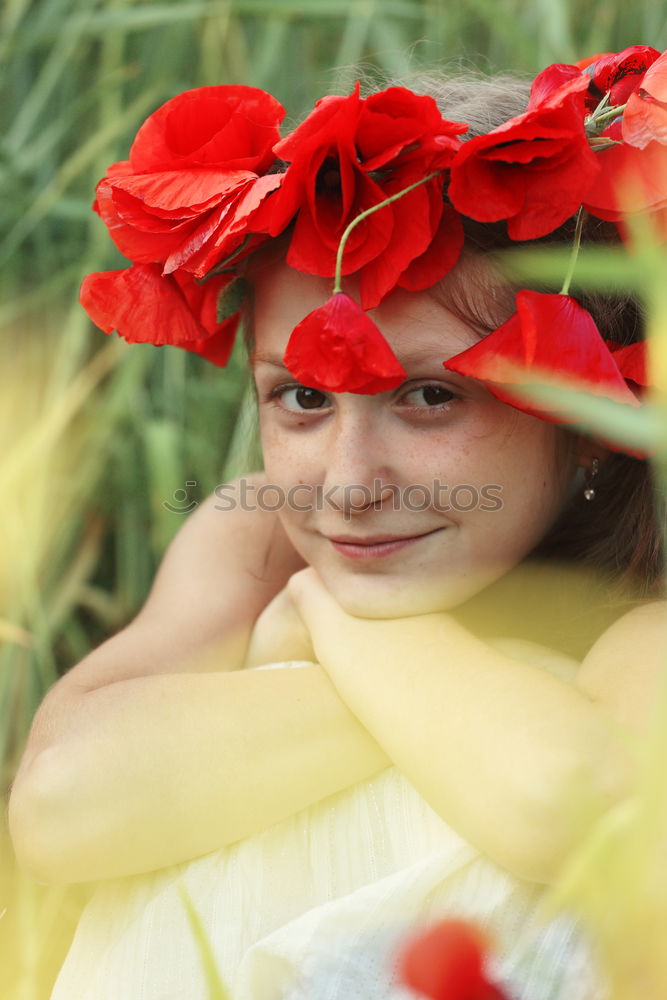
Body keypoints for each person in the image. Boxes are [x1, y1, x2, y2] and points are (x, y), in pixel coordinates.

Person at [8, 49, 667, 1000]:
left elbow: (563, 807)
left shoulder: (634, 618)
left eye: (431, 396)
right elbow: (63, 807)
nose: (348, 487)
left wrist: (326, 622)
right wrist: (514, 685)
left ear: (596, 414)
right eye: (302, 396)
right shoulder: (259, 532)